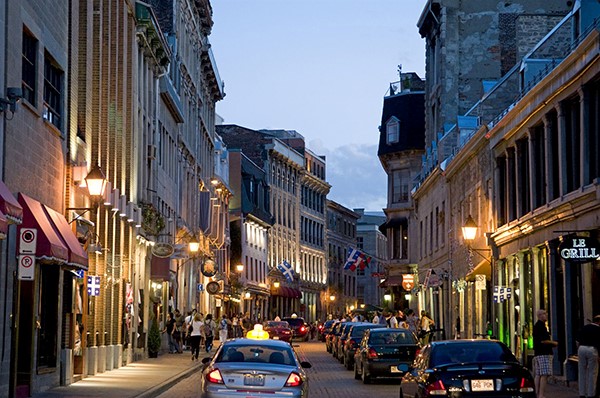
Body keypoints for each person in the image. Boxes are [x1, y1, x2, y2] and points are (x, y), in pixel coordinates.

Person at [532, 309, 558, 398]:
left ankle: (537, 393)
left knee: (538, 374)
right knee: (544, 374)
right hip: (544, 353)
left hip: (538, 353)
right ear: (539, 315)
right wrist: (553, 343)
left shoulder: (538, 326)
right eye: (544, 314)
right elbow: (543, 341)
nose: (546, 315)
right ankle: (541, 394)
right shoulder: (540, 326)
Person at [576, 315, 600, 398]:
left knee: (582, 371)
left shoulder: (584, 327)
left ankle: (582, 393)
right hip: (592, 349)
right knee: (592, 372)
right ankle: (591, 394)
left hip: (581, 348)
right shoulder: (598, 329)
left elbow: (577, 341)